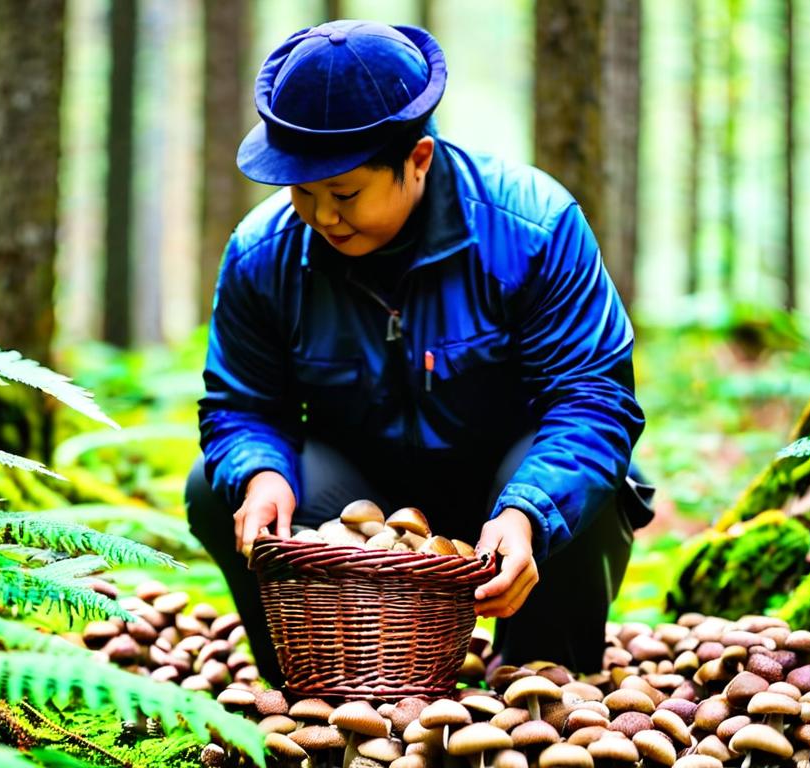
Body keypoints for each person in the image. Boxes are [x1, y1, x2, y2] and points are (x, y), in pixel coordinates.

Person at [185, 19, 654, 685]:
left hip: (507, 495)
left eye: (344, 193)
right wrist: (260, 473)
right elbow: (240, 405)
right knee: (214, 485)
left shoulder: (534, 227)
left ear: (419, 159)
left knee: (590, 484)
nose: (322, 217)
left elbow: (594, 401)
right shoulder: (263, 255)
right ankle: (324, 683)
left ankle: (540, 680)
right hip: (357, 509)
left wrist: (528, 512)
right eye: (301, 193)